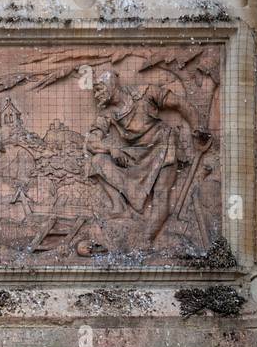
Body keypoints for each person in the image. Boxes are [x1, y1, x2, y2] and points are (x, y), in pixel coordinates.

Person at [86, 69, 209, 243]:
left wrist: (197, 128)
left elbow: (180, 105)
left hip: (163, 146)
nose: (97, 94)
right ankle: (119, 207)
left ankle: (146, 239)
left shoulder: (146, 92)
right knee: (97, 161)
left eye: (99, 89)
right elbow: (91, 142)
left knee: (161, 193)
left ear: (111, 85)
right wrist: (111, 150)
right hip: (134, 154)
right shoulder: (107, 113)